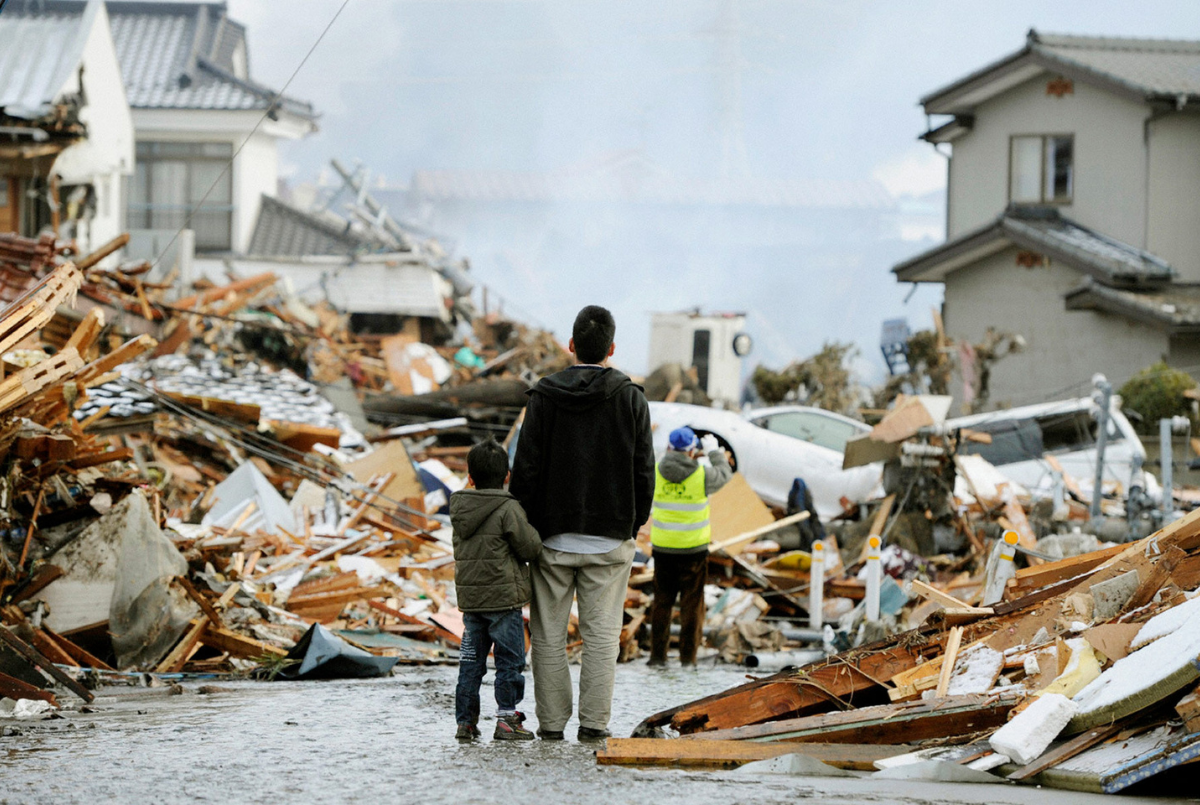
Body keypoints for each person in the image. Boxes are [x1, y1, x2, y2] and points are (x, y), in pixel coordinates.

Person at [509, 305, 655, 742]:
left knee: (550, 638)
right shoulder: (631, 397)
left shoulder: (543, 397)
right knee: (602, 638)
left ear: (571, 346)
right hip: (610, 540)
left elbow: (526, 470)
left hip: (552, 539)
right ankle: (594, 726)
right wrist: (633, 522)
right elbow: (643, 469)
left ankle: (551, 725)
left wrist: (527, 529)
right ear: (611, 348)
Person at [451, 439, 542, 742]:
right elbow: (529, 548)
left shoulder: (460, 508)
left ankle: (465, 722)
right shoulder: (508, 508)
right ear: (506, 476)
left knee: (470, 663)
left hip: (472, 602)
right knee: (509, 662)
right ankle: (506, 719)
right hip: (504, 602)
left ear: (471, 477)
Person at [647, 427, 732, 667]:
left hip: (663, 549)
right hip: (693, 551)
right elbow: (725, 474)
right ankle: (688, 658)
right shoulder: (702, 475)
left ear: (670, 448)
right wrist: (714, 452)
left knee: (662, 602)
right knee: (692, 606)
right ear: (692, 451)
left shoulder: (655, 472)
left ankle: (657, 657)